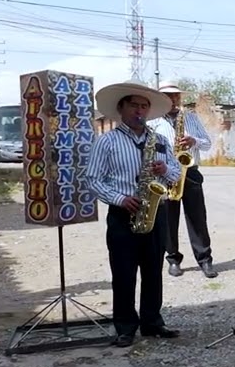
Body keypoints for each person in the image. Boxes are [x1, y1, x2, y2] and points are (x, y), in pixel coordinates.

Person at [85, 81, 182, 348]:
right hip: (123, 213)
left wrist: (165, 170)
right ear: (121, 109)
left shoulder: (159, 140)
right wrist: (120, 199)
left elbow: (176, 174)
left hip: (156, 211)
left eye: (144, 106)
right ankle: (125, 327)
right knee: (123, 273)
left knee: (153, 272)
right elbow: (93, 180)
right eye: (134, 105)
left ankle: (152, 322)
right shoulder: (106, 141)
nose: (139, 111)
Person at [148, 80, 218, 280]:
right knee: (168, 219)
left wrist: (194, 140)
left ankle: (205, 260)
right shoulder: (152, 121)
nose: (173, 99)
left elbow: (207, 144)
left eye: (176, 96)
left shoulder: (191, 118)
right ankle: (173, 259)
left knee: (197, 218)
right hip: (165, 174)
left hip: (190, 172)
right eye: (168, 96)